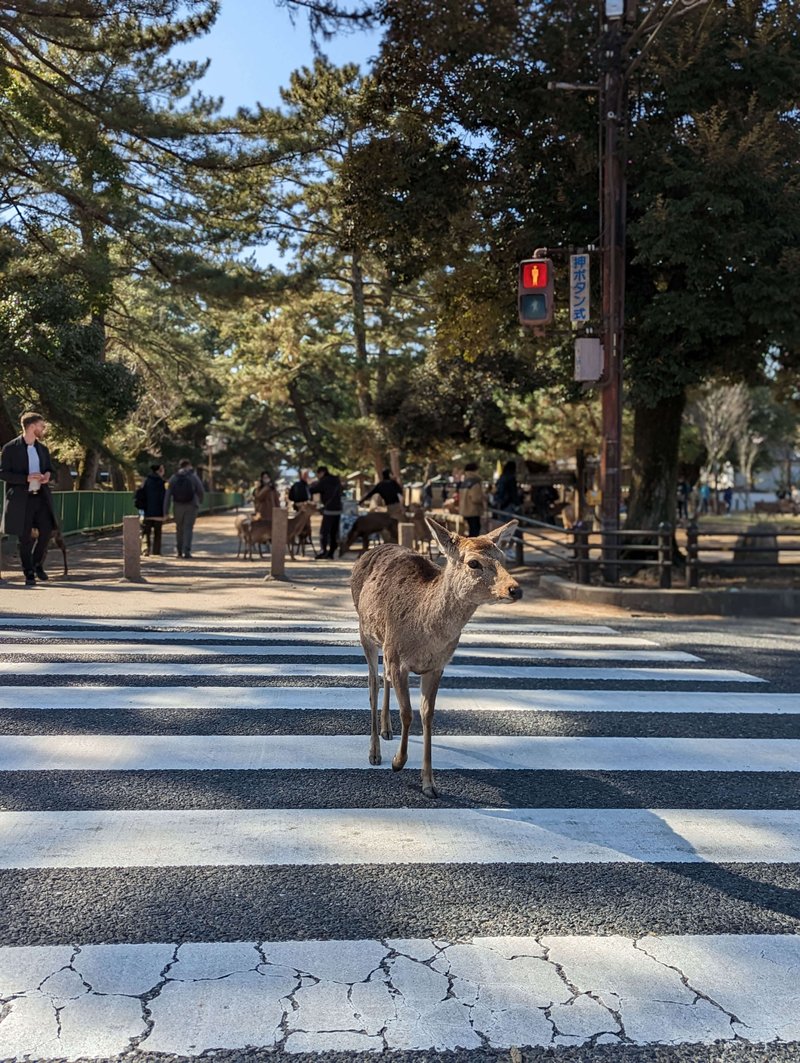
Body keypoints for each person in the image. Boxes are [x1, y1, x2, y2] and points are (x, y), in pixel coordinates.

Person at [0, 411, 56, 585]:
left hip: (41, 497)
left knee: (47, 532)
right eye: (41, 426)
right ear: (32, 427)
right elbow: (3, 473)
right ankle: (29, 572)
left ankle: (37, 563)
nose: (43, 429)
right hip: (21, 499)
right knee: (25, 538)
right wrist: (25, 478)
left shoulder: (43, 449)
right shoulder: (10, 448)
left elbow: (50, 469)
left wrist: (47, 475)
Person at [165, 458, 204, 558]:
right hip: (191, 505)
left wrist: (165, 510)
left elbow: (168, 494)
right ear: (188, 465)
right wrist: (199, 502)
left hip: (178, 506)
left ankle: (179, 550)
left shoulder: (174, 477)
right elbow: (200, 490)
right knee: (188, 528)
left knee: (179, 528)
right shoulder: (193, 476)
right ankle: (187, 551)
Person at [309, 465, 343, 559]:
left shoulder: (324, 481)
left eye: (318, 474)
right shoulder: (336, 480)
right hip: (338, 510)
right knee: (333, 533)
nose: (318, 476)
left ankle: (324, 551)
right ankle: (331, 553)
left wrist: (311, 486)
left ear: (322, 472)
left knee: (324, 532)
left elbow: (314, 490)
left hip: (329, 510)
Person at [140, 463, 166, 555]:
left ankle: (146, 549)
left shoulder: (146, 481)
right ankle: (156, 551)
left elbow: (140, 495)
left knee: (146, 532)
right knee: (157, 533)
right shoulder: (161, 482)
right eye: (162, 469)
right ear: (159, 471)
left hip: (147, 511)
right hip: (158, 513)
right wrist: (165, 511)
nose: (163, 471)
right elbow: (164, 498)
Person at [458, 462, 485, 537]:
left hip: (464, 511)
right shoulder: (475, 483)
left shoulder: (464, 483)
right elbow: (475, 499)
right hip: (473, 512)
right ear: (475, 470)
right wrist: (483, 498)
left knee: (469, 532)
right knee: (475, 532)